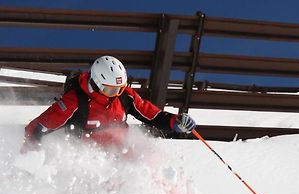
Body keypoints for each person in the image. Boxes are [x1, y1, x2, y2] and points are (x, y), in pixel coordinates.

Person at [22, 55, 196, 151]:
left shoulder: (124, 95)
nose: (116, 94)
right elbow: (39, 126)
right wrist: (32, 148)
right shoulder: (75, 101)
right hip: (91, 156)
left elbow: (149, 113)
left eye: (120, 88)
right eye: (111, 89)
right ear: (96, 83)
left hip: (122, 149)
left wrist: (175, 121)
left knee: (150, 170)